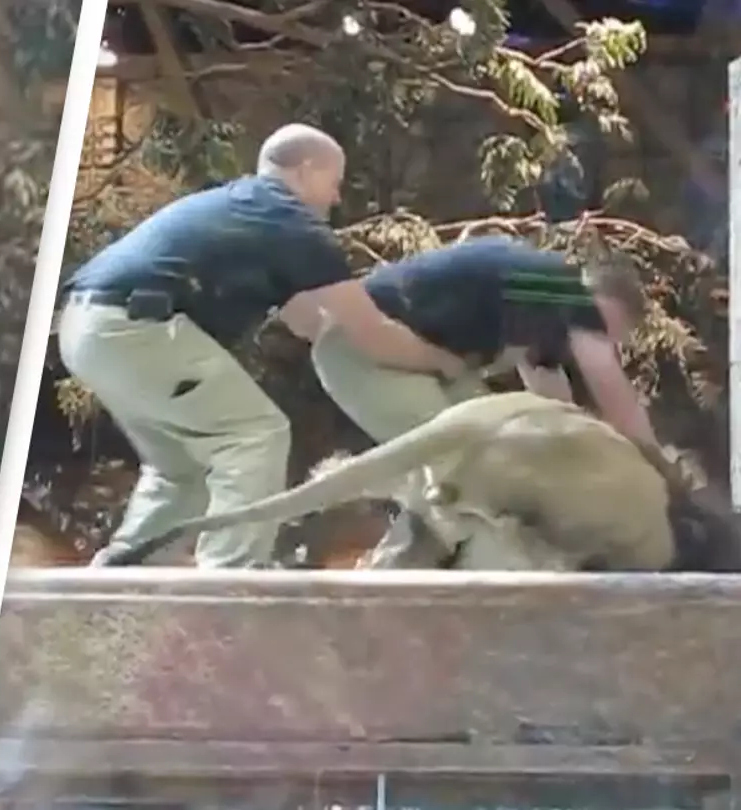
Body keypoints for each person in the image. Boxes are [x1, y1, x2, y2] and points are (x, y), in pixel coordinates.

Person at [57, 123, 469, 569]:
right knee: (255, 434)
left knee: (181, 470)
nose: (335, 198)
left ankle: (122, 570)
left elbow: (312, 322)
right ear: (308, 170)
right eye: (335, 183)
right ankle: (231, 576)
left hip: (86, 328)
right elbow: (371, 334)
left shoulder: (245, 210)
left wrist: (361, 342)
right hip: (137, 329)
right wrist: (442, 361)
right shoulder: (291, 223)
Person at [310, 234, 657, 564]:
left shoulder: (541, 309)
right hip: (360, 346)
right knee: (464, 461)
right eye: (615, 332)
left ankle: (422, 561)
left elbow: (554, 410)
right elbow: (618, 400)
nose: (608, 342)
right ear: (605, 302)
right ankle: (402, 568)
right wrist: (660, 473)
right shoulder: (563, 288)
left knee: (499, 444)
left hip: (419, 358)